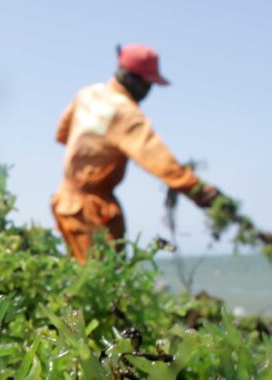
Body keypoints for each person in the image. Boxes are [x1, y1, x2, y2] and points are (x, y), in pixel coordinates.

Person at [51, 44, 221, 263]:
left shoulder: (88, 94)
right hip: (92, 210)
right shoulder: (126, 114)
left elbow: (62, 134)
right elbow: (160, 162)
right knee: (104, 279)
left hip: (65, 202)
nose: (149, 91)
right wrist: (198, 190)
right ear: (134, 79)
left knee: (80, 273)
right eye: (148, 84)